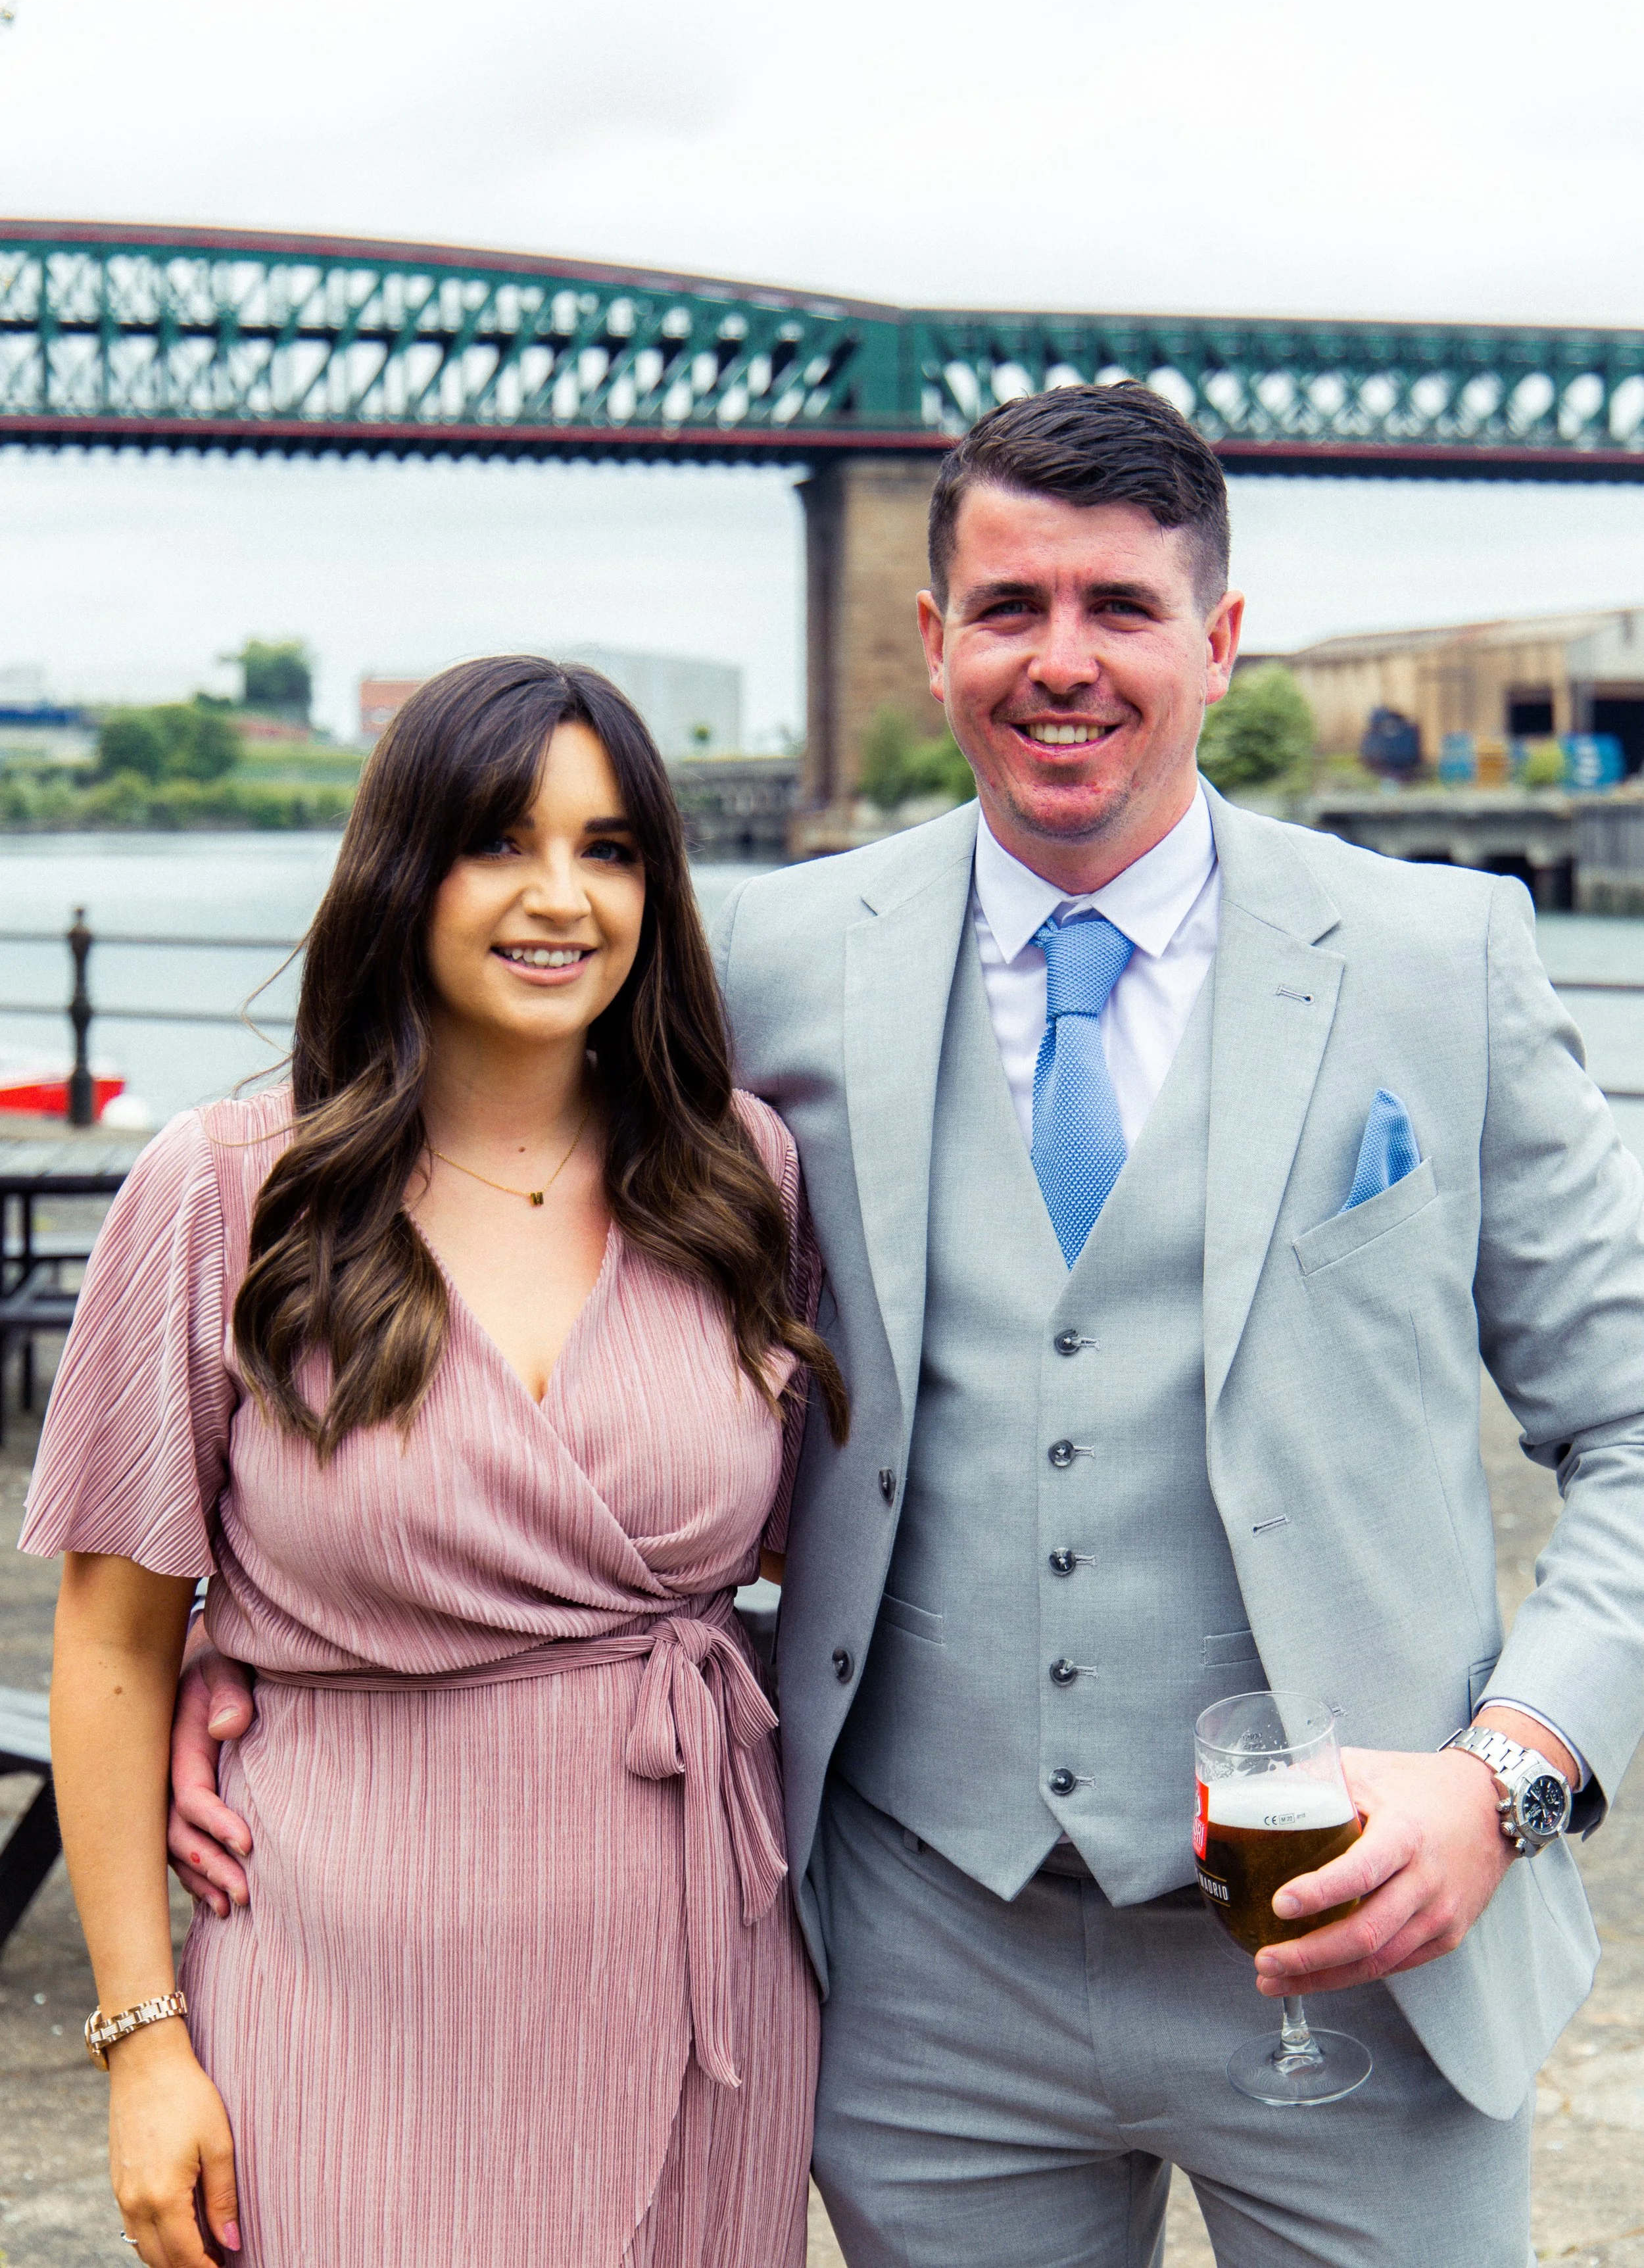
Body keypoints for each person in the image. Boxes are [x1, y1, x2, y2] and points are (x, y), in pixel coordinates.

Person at [175, 385, 1644, 2266]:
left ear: (1218, 639)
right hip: (923, 1969)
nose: (1063, 660)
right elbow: (477, 1201)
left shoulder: (1441, 960)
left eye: (1119, 607)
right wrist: (271, 1630)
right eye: (1010, 607)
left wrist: (1502, 1773)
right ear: (935, 639)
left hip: (1359, 1948)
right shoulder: (761, 965)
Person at [24, 656, 842, 2268]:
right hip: (341, 1983)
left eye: (610, 850)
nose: (562, 899)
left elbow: (817, 1578)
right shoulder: (225, 1191)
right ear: (404, 869)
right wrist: (142, 2042)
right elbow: (112, 1638)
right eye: (500, 844)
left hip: (697, 1989)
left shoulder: (742, 1171)